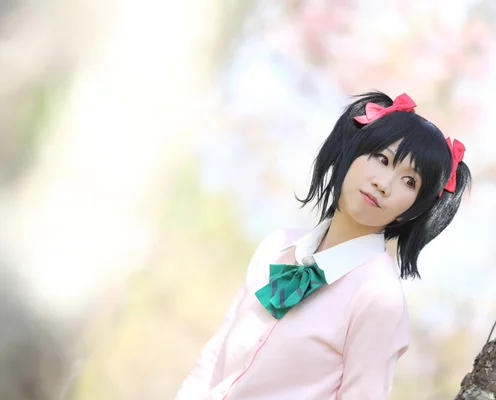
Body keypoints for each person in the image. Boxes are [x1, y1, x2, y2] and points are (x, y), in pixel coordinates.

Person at [175, 91, 471, 399]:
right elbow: (213, 362)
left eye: (409, 182)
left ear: (416, 208)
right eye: (382, 159)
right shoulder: (278, 245)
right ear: (354, 151)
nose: (383, 183)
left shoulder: (379, 298)